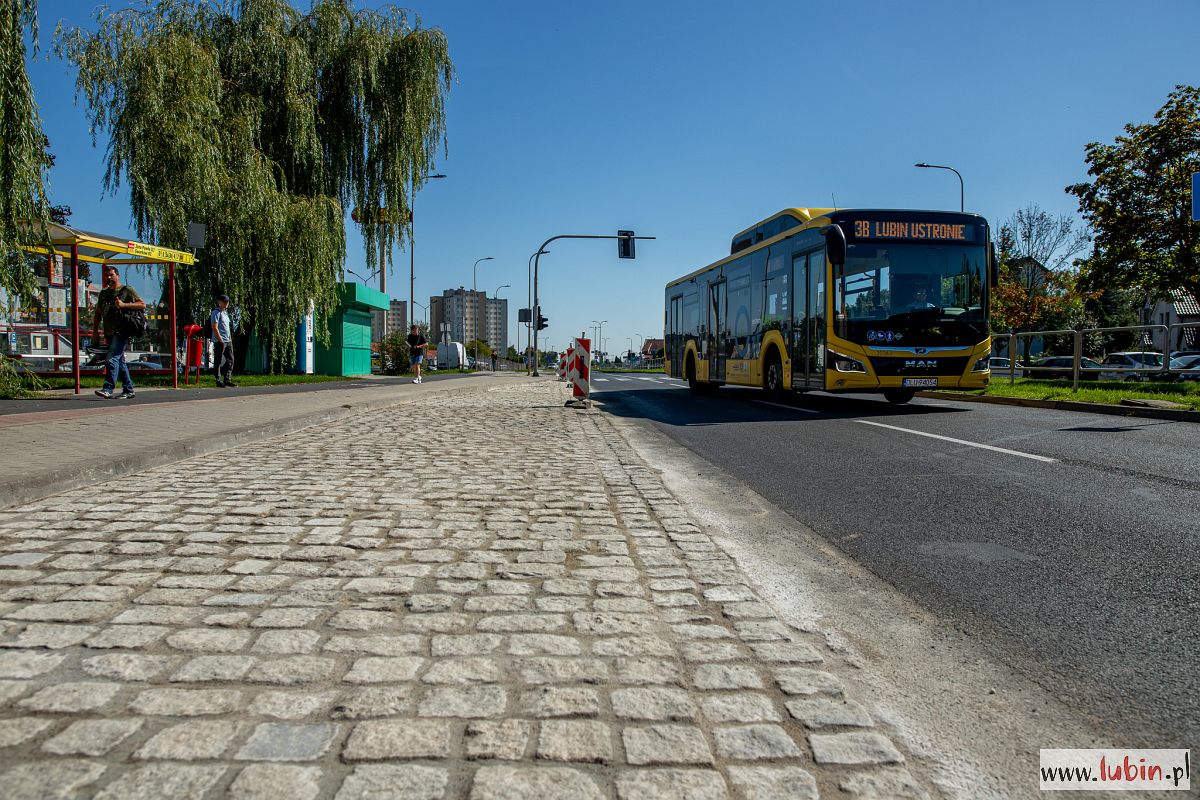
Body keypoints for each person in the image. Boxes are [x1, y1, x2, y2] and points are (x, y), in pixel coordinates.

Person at [92, 264, 145, 399]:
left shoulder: (127, 290)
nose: (109, 278)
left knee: (111, 359)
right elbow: (98, 313)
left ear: (117, 276)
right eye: (107, 276)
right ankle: (128, 389)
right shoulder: (104, 294)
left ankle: (108, 388)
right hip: (109, 331)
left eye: (111, 275)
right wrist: (95, 331)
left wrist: (124, 305)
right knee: (119, 361)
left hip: (122, 330)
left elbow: (142, 304)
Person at [210, 294, 236, 387]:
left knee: (230, 360)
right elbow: (214, 327)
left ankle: (227, 379)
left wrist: (229, 339)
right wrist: (220, 339)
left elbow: (227, 327)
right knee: (218, 360)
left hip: (228, 340)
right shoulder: (216, 312)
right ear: (219, 302)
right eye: (224, 301)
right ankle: (218, 380)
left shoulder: (225, 313)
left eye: (227, 301)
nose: (226, 303)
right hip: (220, 341)